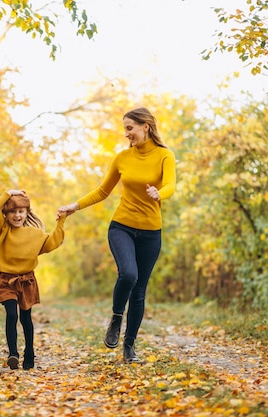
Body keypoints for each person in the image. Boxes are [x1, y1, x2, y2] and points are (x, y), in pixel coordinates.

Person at [58, 107, 176, 364]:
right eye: (125, 129)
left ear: (146, 126)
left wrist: (160, 194)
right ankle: (115, 317)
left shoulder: (165, 156)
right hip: (121, 226)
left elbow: (171, 184)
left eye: (130, 128)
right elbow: (102, 191)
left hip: (150, 232)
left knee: (140, 291)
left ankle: (129, 346)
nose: (126, 134)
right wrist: (74, 206)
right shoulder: (122, 158)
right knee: (129, 275)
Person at [0, 189, 66, 370]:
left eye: (21, 211)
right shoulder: (2, 230)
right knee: (11, 314)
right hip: (6, 281)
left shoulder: (35, 234)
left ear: (27, 213)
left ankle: (29, 353)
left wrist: (62, 220)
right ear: (6, 215)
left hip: (27, 281)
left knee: (26, 318)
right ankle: (13, 354)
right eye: (12, 212)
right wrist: (9, 192)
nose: (17, 215)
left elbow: (53, 241)